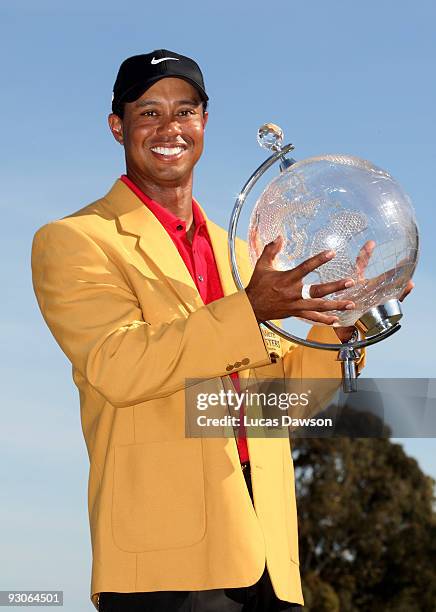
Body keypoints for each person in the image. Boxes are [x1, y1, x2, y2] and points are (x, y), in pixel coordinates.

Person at [31, 50, 413, 611]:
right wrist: (249, 311)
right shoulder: (75, 240)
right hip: (161, 564)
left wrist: (345, 320)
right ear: (118, 126)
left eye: (185, 111)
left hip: (267, 558)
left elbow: (281, 406)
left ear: (204, 122)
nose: (170, 129)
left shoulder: (244, 252)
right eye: (149, 112)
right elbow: (120, 366)